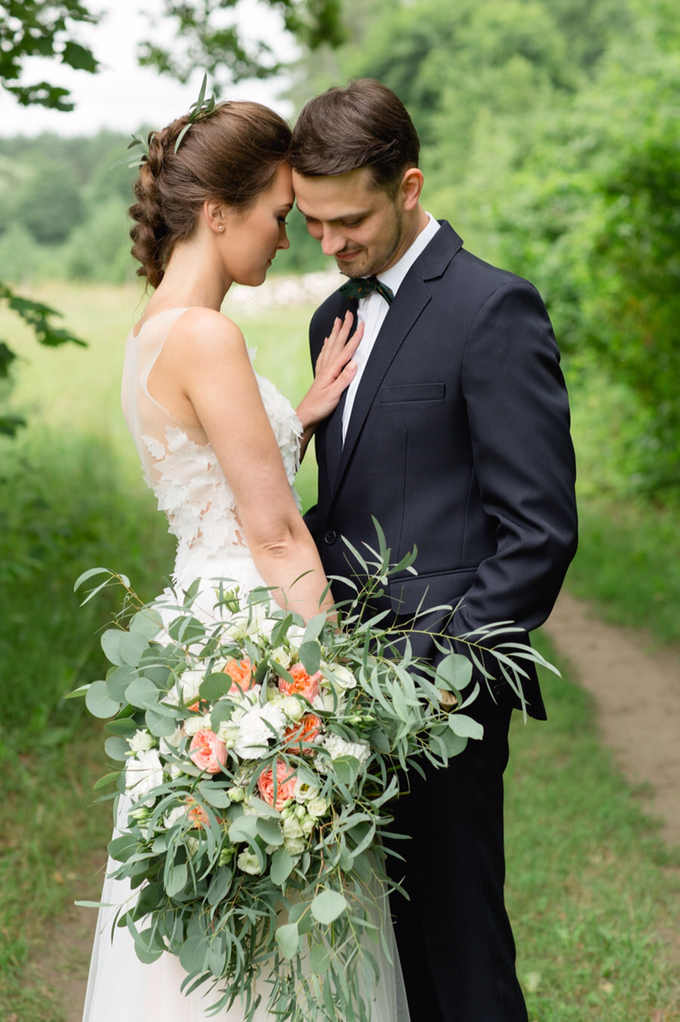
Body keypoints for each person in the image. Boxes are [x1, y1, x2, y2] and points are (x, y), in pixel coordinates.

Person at [82, 98, 409, 1021]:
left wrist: (293, 420)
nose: (290, 238)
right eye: (277, 213)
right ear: (218, 212)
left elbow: (215, 479)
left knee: (225, 894)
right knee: (288, 899)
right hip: (257, 644)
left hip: (197, 635)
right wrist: (339, 684)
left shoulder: (154, 329)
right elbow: (272, 533)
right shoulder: (209, 334)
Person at [288, 78, 578, 1021]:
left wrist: (442, 673)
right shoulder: (330, 316)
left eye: (349, 220)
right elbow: (348, 505)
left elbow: (537, 529)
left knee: (460, 947)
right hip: (341, 692)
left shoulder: (492, 309)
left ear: (409, 185)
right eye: (312, 222)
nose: (331, 244)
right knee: (381, 950)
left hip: (441, 693)